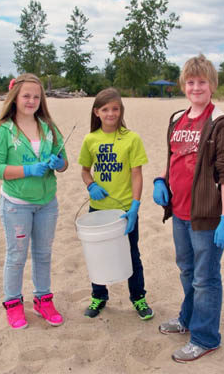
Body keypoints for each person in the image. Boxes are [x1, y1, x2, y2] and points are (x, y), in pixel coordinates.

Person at [153, 54, 224, 362]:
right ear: (183, 85)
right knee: (187, 270)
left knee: (206, 278)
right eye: (190, 82)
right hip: (179, 212)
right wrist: (160, 180)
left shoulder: (222, 123)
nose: (195, 87)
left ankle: (205, 338)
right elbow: (173, 158)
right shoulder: (177, 118)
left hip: (206, 217)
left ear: (213, 85)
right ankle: (188, 319)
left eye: (202, 81)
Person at [0, 73, 68, 329]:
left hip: (47, 203)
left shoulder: (49, 128)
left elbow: (64, 162)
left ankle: (43, 299)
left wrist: (59, 163)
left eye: (36, 96)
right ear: (15, 98)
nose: (31, 101)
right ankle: (13, 303)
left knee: (43, 254)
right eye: (26, 96)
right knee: (17, 255)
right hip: (16, 205)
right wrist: (27, 170)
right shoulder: (3, 131)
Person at [78, 87, 154, 321]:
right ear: (96, 112)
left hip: (124, 210)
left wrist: (135, 206)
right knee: (96, 255)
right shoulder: (90, 139)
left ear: (121, 111)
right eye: (105, 109)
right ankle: (99, 296)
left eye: (115, 109)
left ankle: (138, 298)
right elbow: (84, 170)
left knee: (132, 253)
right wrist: (91, 185)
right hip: (98, 210)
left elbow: (137, 174)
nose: (111, 113)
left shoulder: (132, 139)